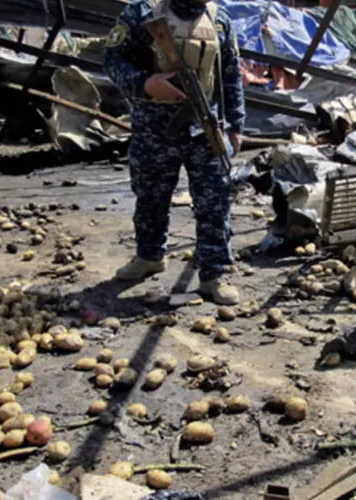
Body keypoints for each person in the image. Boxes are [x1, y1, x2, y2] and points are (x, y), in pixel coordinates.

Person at [104, 0, 246, 305]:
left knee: (214, 202)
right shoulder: (143, 13)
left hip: (204, 127)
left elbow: (231, 73)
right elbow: (113, 60)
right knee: (150, 196)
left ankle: (214, 273)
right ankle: (150, 255)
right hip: (154, 127)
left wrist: (236, 124)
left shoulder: (219, 18)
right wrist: (145, 83)